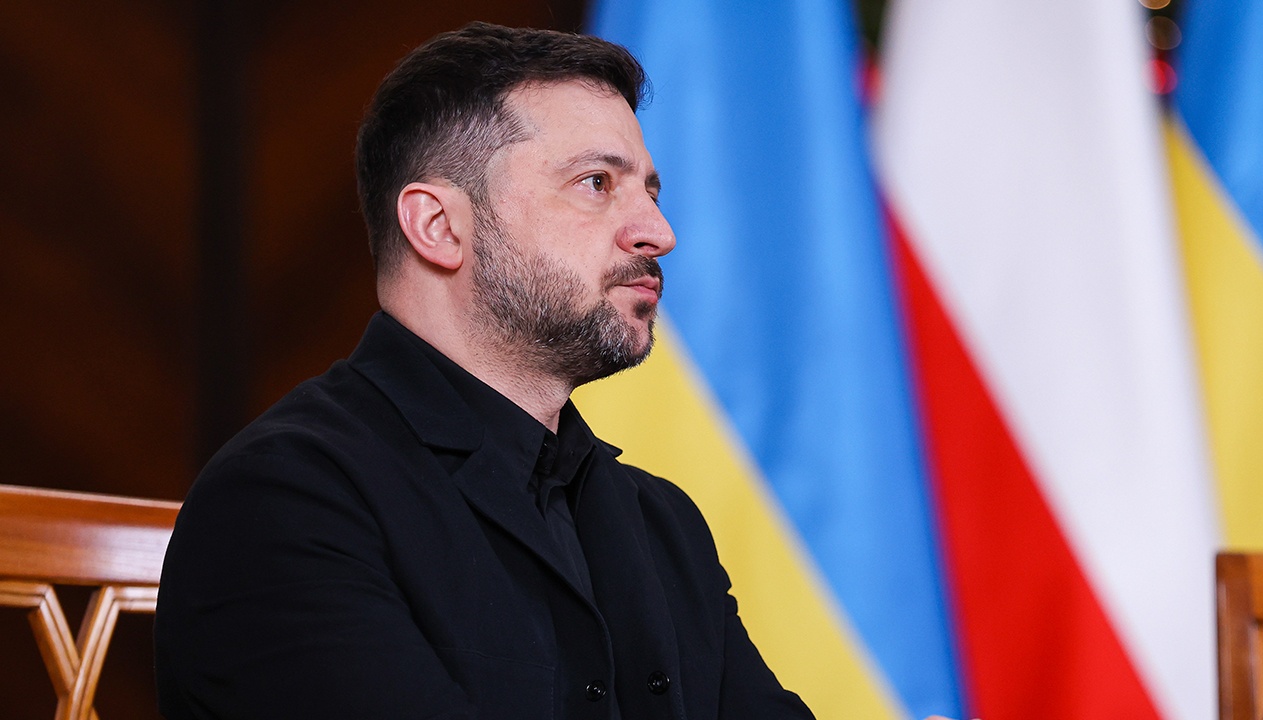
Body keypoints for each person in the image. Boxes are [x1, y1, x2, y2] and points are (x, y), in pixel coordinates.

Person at [155, 21, 815, 720]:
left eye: (649, 191)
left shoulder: (663, 524)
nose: (659, 232)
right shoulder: (285, 500)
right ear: (438, 226)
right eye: (596, 183)